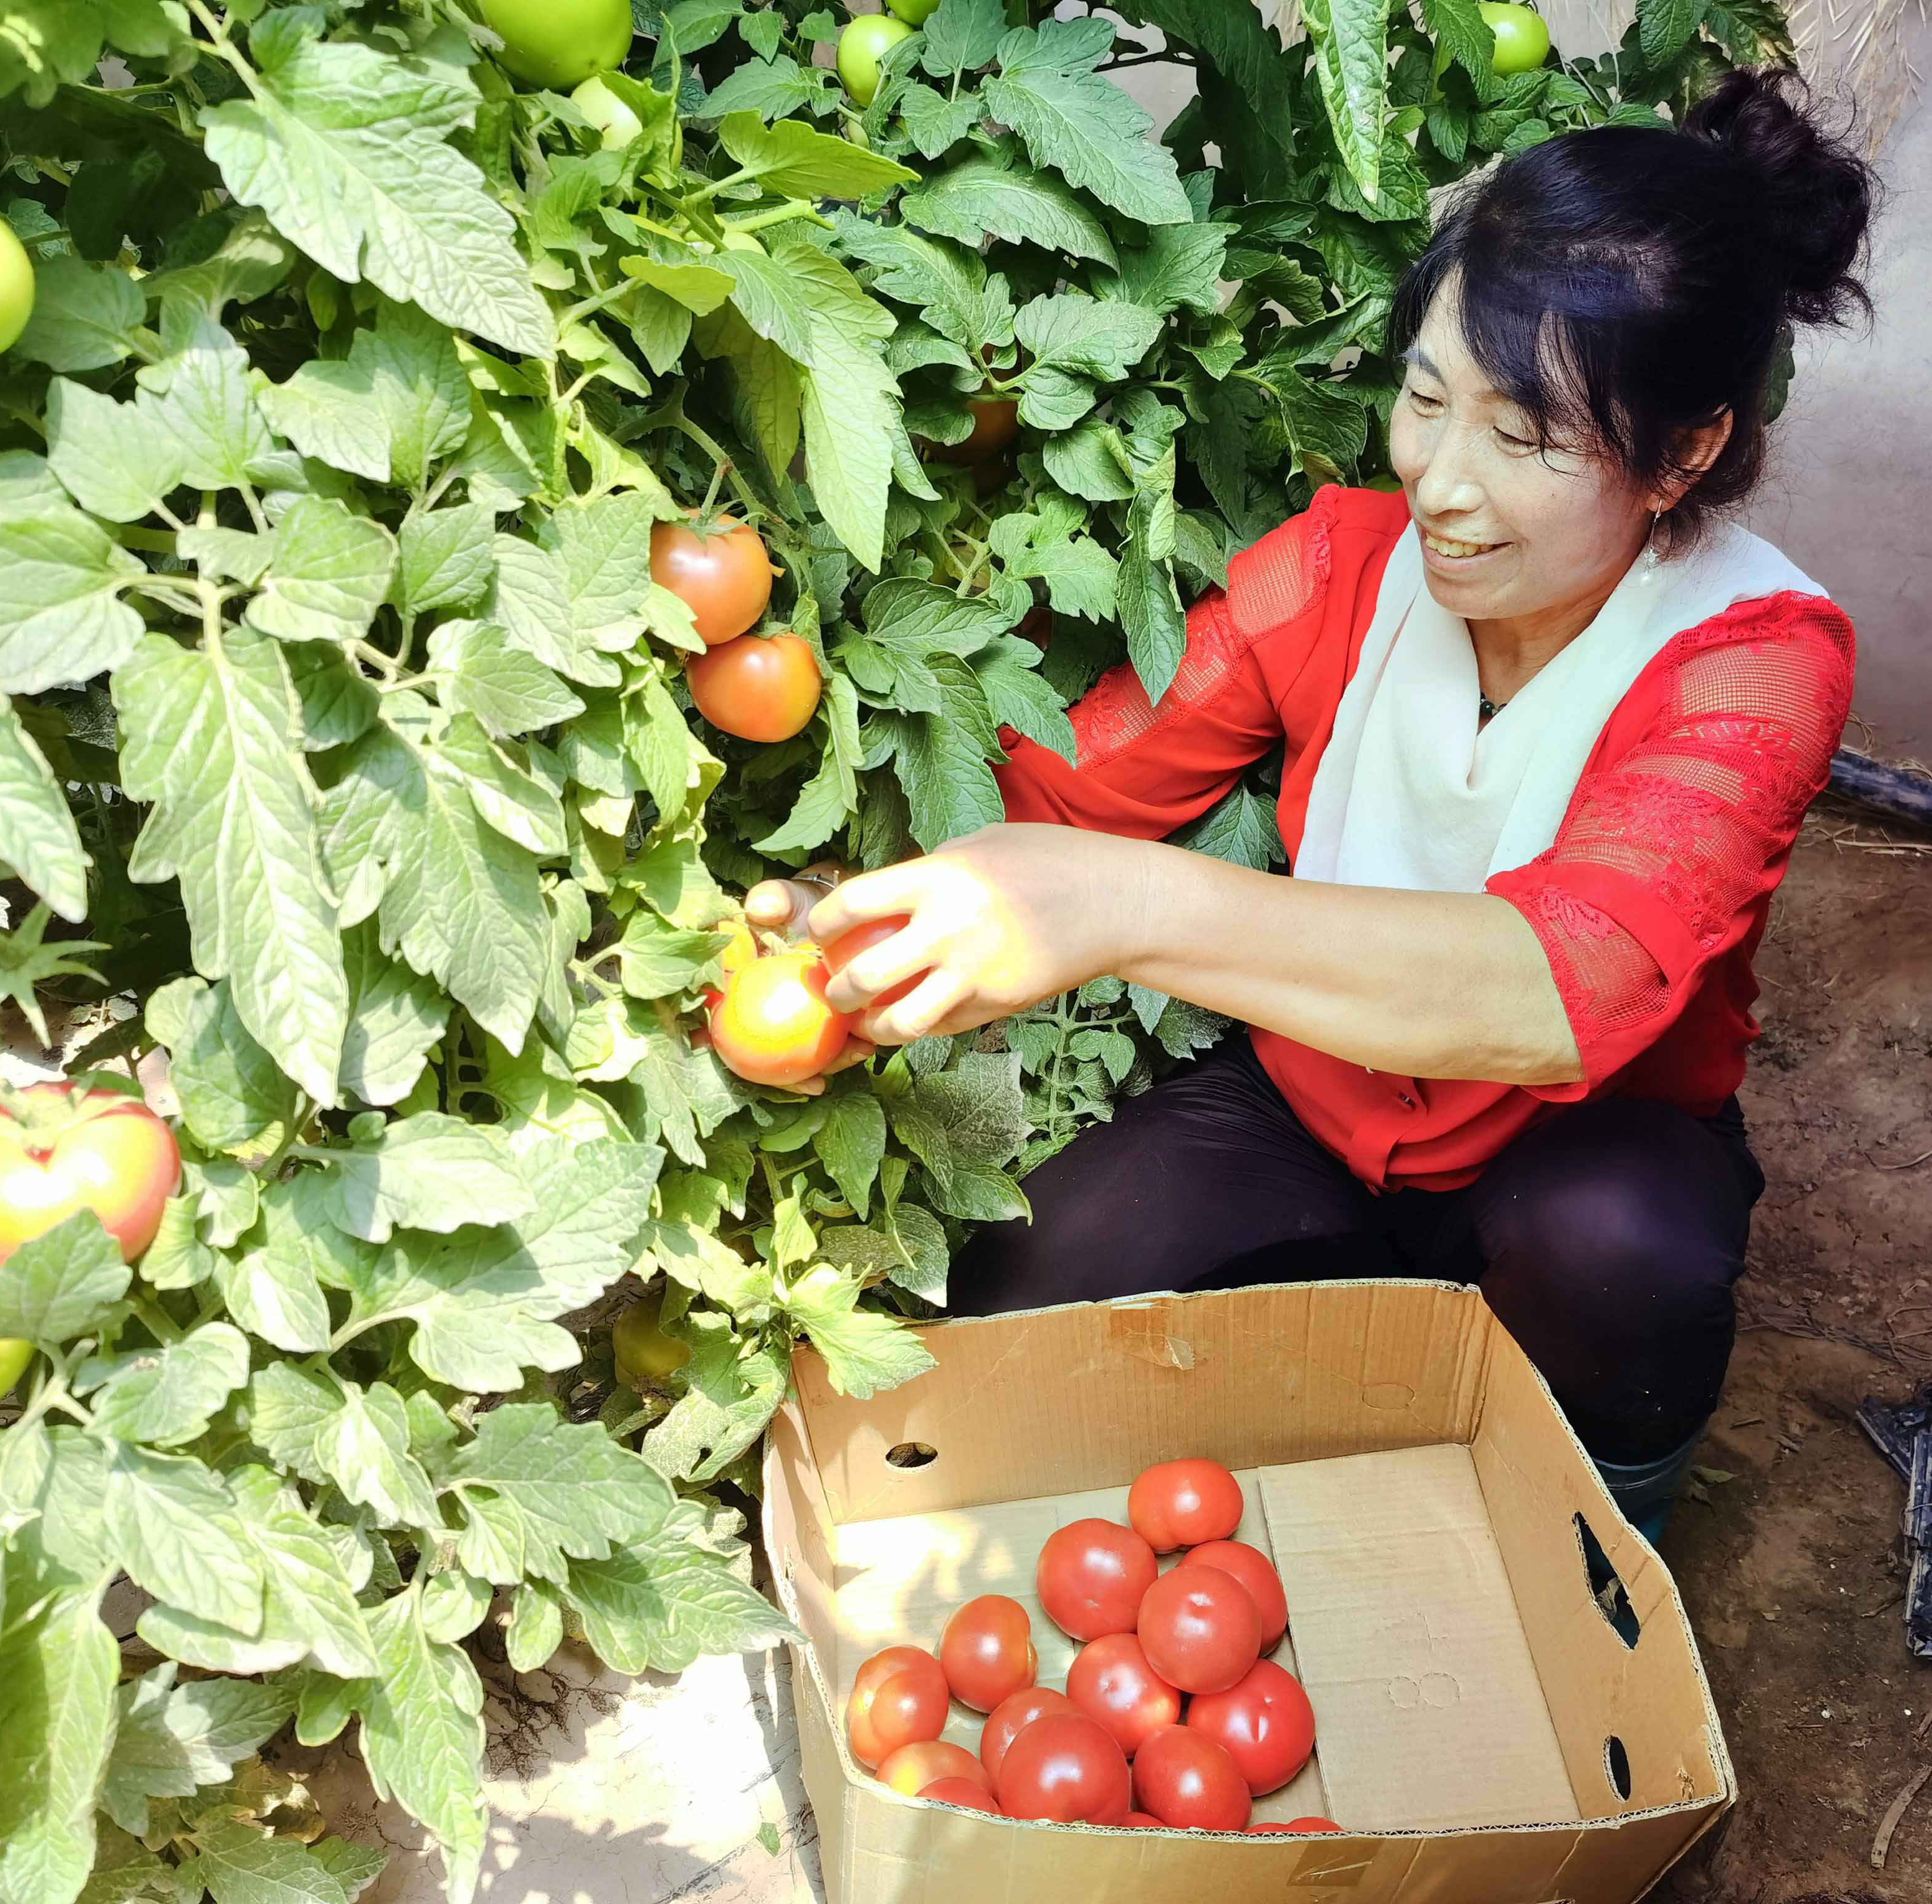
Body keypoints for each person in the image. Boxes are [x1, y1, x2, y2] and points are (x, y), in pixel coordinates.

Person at [744, 68, 1876, 1543]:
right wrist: (852, 905)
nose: (1440, 486)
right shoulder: (1336, 571)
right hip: (1311, 1102)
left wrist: (1122, 906)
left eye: (1527, 437)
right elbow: (1070, 783)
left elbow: (1564, 987)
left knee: (1619, 1251)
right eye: (1426, 399)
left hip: (1579, 1143)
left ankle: (1603, 1538)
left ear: (1686, 452)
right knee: (1019, 1291)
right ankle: (1373, 1345)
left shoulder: (1754, 662)